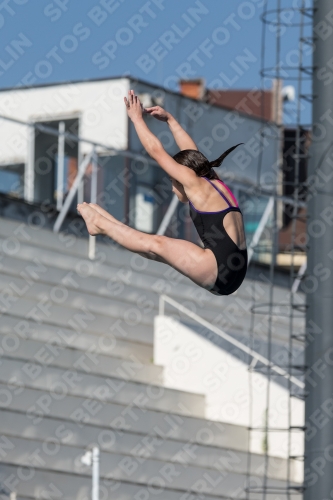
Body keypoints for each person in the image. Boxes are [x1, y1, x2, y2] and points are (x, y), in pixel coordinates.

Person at [77, 89, 248, 296]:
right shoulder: (213, 182)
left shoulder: (197, 185)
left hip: (218, 270)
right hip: (235, 272)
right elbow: (194, 155)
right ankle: (107, 224)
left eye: (172, 181)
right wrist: (171, 121)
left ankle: (101, 224)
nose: (172, 188)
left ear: (184, 177)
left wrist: (137, 119)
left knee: (156, 244)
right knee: (155, 252)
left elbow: (157, 152)